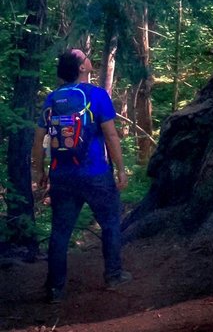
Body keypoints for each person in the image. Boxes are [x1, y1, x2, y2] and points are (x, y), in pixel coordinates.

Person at [31, 49, 131, 302]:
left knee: (60, 232)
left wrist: (39, 170)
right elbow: (110, 135)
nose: (88, 58)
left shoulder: (52, 98)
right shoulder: (97, 95)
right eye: (84, 57)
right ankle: (114, 276)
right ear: (82, 68)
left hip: (62, 176)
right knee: (110, 223)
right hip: (96, 174)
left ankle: (55, 289)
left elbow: (38, 139)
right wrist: (120, 169)